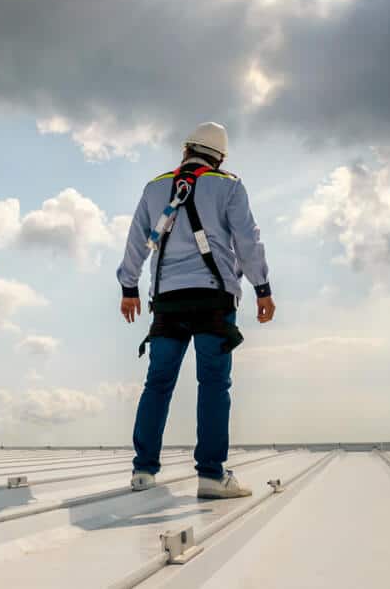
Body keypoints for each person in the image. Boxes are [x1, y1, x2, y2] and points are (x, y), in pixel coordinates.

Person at [116, 122, 275, 498]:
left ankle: (143, 472)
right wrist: (262, 288)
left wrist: (128, 287)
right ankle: (211, 476)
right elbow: (247, 240)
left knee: (157, 385)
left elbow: (137, 237)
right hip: (213, 301)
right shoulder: (229, 184)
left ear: (185, 151)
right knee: (214, 385)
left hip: (168, 302)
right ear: (219, 156)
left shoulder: (155, 187)